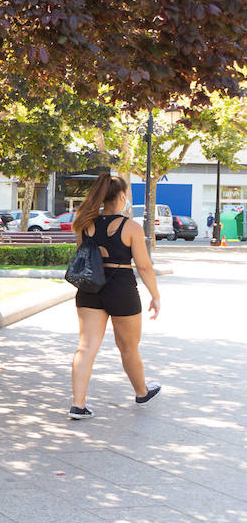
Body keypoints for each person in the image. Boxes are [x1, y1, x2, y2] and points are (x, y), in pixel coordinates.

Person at [68, 173, 161, 420]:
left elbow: (82, 256)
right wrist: (155, 296)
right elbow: (144, 267)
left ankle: (78, 405)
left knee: (85, 347)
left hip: (90, 288)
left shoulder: (84, 223)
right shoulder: (131, 227)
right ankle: (141, 392)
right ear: (121, 197)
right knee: (128, 347)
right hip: (121, 288)